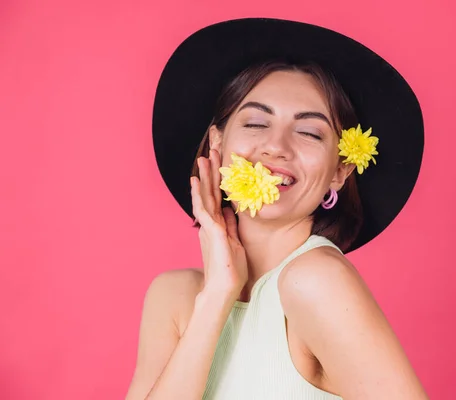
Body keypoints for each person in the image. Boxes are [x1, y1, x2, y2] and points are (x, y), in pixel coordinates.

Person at [126, 18, 428, 399]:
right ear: (216, 146)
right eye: (255, 123)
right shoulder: (173, 297)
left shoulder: (316, 280)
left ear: (339, 171)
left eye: (308, 132)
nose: (276, 147)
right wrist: (219, 291)